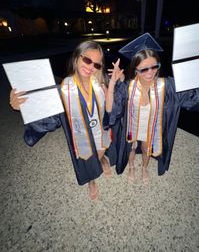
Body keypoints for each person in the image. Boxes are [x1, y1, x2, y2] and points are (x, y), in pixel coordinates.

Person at [9, 41, 118, 201]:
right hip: (82, 136)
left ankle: (101, 159)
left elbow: (110, 110)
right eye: (87, 60)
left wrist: (114, 83)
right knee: (87, 158)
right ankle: (91, 179)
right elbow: (47, 113)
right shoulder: (65, 90)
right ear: (76, 58)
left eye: (96, 64)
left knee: (100, 151)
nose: (90, 67)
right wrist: (23, 107)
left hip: (100, 131)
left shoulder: (100, 85)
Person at [106, 33, 199, 184]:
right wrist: (113, 83)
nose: (150, 72)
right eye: (144, 69)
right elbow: (111, 110)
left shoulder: (167, 86)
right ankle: (131, 166)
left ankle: (144, 168)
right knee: (130, 149)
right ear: (135, 69)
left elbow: (194, 97)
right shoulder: (128, 86)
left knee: (146, 149)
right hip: (132, 127)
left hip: (150, 128)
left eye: (154, 66)